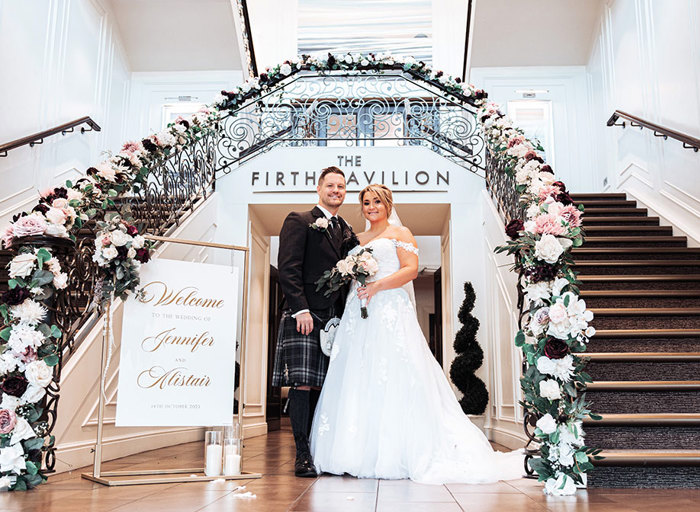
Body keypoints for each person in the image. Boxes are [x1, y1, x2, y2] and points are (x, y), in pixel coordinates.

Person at [310, 184, 524, 483]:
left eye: (377, 202)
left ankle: (398, 451)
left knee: (397, 370)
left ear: (388, 204)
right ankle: (354, 451)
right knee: (359, 373)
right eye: (366, 203)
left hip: (389, 308)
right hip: (358, 313)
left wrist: (376, 286)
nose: (371, 207)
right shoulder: (356, 239)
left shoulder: (401, 233)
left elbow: (410, 270)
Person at [271, 166, 358, 477]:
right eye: (331, 185)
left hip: (335, 316)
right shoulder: (300, 220)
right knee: (303, 383)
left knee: (327, 385)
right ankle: (302, 454)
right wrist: (300, 309)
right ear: (319, 189)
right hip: (305, 315)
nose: (336, 191)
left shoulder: (346, 228)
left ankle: (323, 451)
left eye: (341, 187)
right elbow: (288, 267)